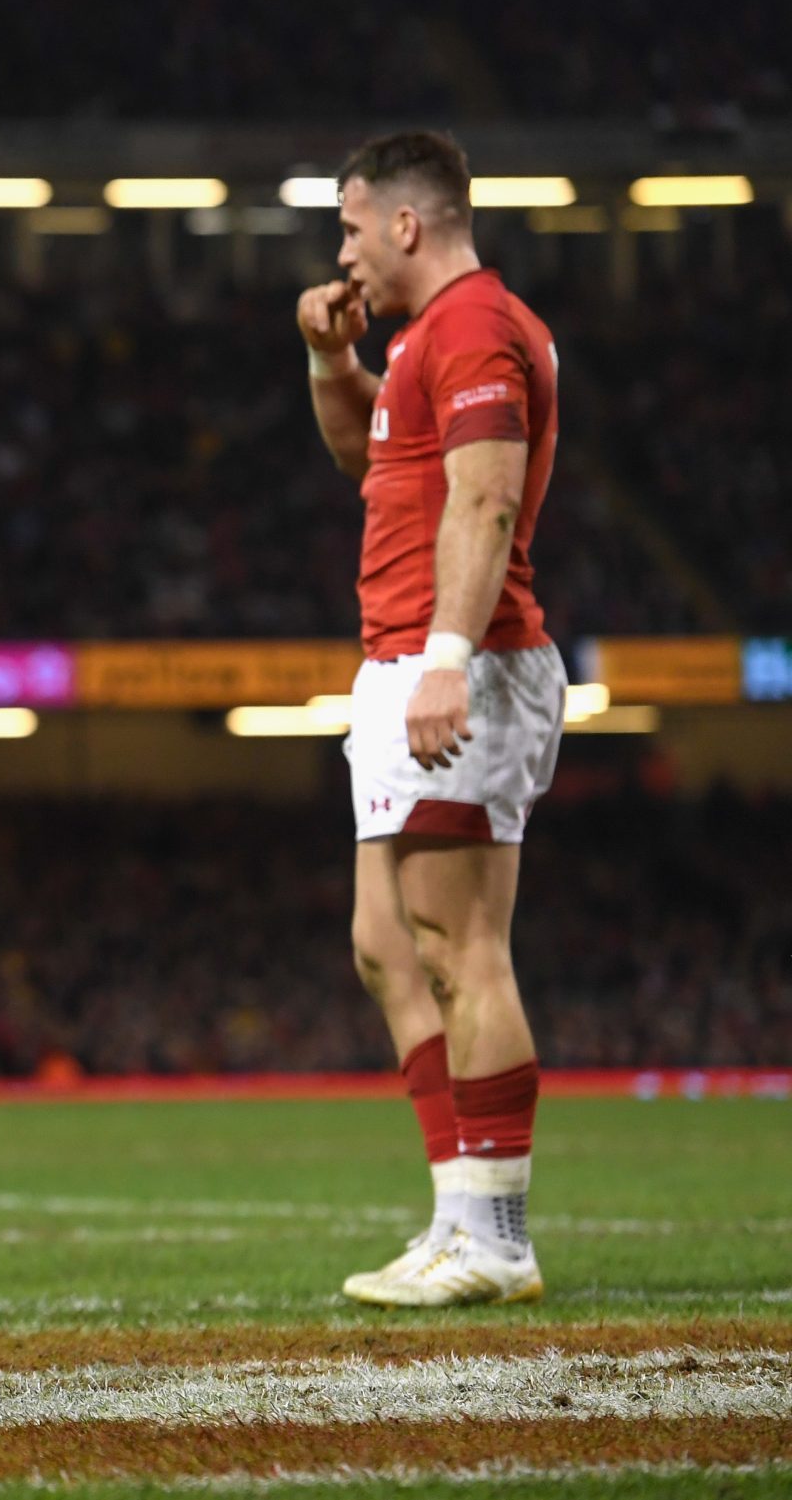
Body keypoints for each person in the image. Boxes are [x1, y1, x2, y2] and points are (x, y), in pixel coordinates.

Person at [295, 131, 562, 1307]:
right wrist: (328, 362)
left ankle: (496, 1235)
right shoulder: (421, 338)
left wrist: (447, 660)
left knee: (461, 945)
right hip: (401, 655)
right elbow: (374, 461)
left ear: (405, 222)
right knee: (384, 943)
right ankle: (459, 1215)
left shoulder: (474, 326)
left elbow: (488, 497)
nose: (343, 251)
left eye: (350, 226)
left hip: (460, 657)